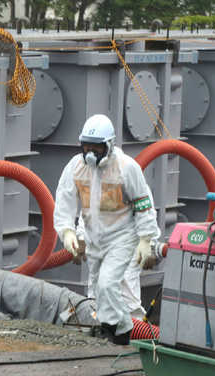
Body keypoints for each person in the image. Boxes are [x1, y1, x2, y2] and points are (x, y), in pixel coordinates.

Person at [53, 114, 159, 345]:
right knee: (98, 290)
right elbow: (66, 202)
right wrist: (70, 233)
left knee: (108, 284)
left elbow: (144, 205)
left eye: (96, 146)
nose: (90, 151)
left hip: (123, 237)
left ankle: (116, 331)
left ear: (109, 145)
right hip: (94, 240)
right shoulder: (76, 167)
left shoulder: (126, 168)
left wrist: (147, 241)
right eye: (86, 145)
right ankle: (122, 331)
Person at [74, 185, 161, 321]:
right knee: (96, 293)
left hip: (129, 245)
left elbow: (147, 214)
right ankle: (97, 332)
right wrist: (81, 238)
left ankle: (134, 332)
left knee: (127, 295)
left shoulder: (134, 181)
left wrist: (150, 243)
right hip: (100, 245)